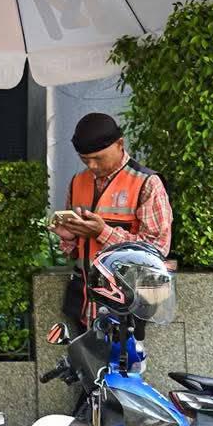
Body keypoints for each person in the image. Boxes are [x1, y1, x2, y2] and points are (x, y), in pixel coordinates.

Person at [55, 112, 172, 327]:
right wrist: (70, 238)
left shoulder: (147, 183)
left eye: (98, 158)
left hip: (126, 304)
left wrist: (102, 232)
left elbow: (157, 248)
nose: (92, 165)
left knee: (124, 350)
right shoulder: (77, 182)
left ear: (120, 144)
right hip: (82, 301)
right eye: (84, 159)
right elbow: (75, 253)